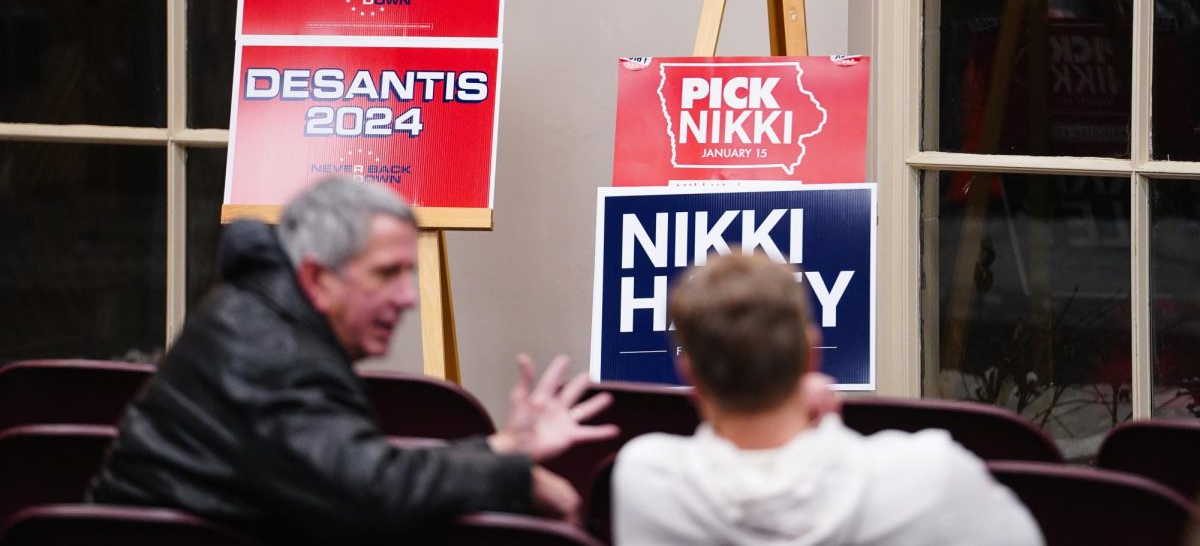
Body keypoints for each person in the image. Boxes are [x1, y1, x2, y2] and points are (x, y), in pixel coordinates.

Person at [90, 177, 616, 543]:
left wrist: (504, 446)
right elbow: (370, 495)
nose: (409, 297)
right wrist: (518, 478)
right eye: (387, 274)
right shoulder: (279, 355)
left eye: (409, 274)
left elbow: (351, 470)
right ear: (319, 279)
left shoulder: (259, 312)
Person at [612, 252, 1044, 546]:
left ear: (690, 373)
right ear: (812, 352)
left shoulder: (644, 480)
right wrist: (828, 427)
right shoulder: (931, 476)